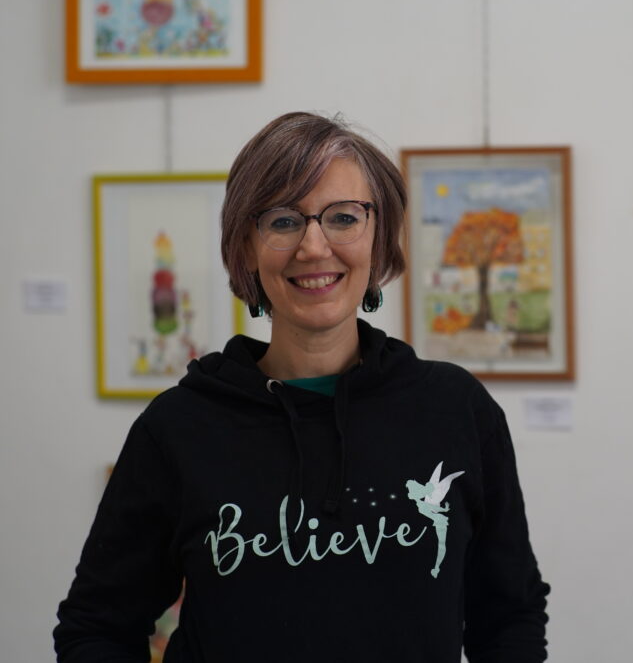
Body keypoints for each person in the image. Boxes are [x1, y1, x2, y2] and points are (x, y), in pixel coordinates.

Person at [54, 112, 550, 662]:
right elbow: (95, 627)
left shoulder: (455, 410)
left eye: (343, 217)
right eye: (284, 220)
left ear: (379, 234)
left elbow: (509, 617)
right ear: (246, 248)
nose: (314, 247)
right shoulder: (178, 428)